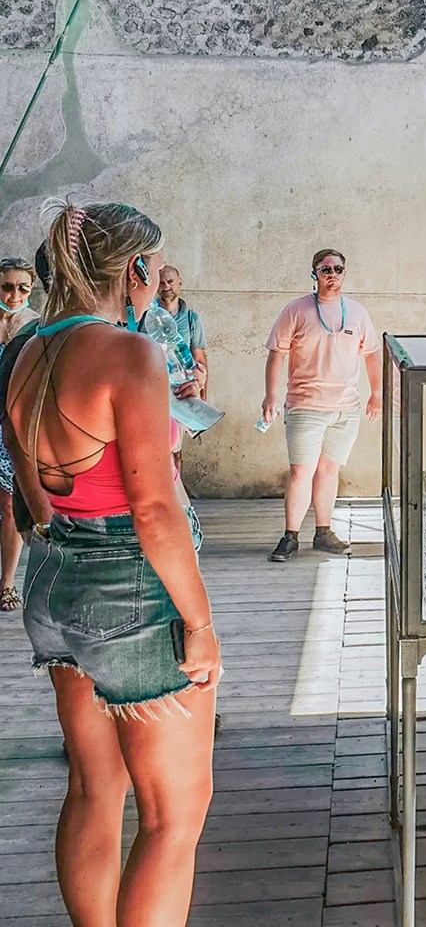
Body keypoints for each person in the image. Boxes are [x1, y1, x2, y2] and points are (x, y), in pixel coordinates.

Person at [5, 199, 219, 926]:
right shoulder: (130, 354)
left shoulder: (24, 349)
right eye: (149, 268)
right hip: (132, 588)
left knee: (95, 787)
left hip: (54, 577)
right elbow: (154, 511)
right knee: (172, 818)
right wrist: (199, 623)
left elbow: (30, 497)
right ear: (132, 270)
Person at [261, 249, 381, 562]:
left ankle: (323, 531)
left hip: (346, 408)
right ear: (314, 274)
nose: (332, 275)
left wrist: (376, 393)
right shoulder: (296, 310)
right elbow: (277, 352)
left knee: (329, 470)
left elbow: (370, 354)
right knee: (302, 471)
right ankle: (290, 535)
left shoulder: (356, 311)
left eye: (337, 269)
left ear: (345, 273)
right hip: (306, 405)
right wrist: (271, 396)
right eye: (325, 269)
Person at [0, 256, 40, 612]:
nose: (14, 294)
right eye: (7, 286)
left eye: (22, 287)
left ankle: (7, 582)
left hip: (11, 426)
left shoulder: (35, 326)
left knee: (10, 504)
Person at [153, 264, 208, 399]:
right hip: (152, 391)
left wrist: (203, 399)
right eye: (161, 283)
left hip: (183, 394)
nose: (166, 287)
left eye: (170, 282)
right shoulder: (144, 317)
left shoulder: (192, 319)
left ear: (180, 283)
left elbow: (200, 360)